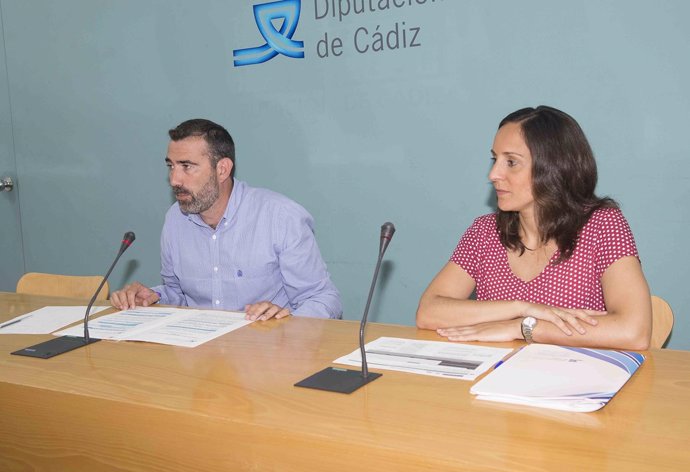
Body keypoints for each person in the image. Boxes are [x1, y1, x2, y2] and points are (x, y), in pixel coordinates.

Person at [416, 106, 652, 350]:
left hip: (573, 380)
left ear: (553, 167)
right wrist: (521, 308)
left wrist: (522, 327)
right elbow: (429, 311)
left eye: (511, 162)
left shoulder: (603, 226)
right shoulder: (484, 232)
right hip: (495, 377)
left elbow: (633, 331)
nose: (494, 174)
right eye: (494, 159)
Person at [111, 119, 342, 321]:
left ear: (222, 169)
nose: (174, 179)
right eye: (171, 166)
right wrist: (154, 296)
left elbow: (324, 299)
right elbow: (179, 293)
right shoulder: (175, 219)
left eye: (186, 167)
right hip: (200, 356)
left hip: (265, 354)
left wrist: (287, 318)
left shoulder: (280, 217)